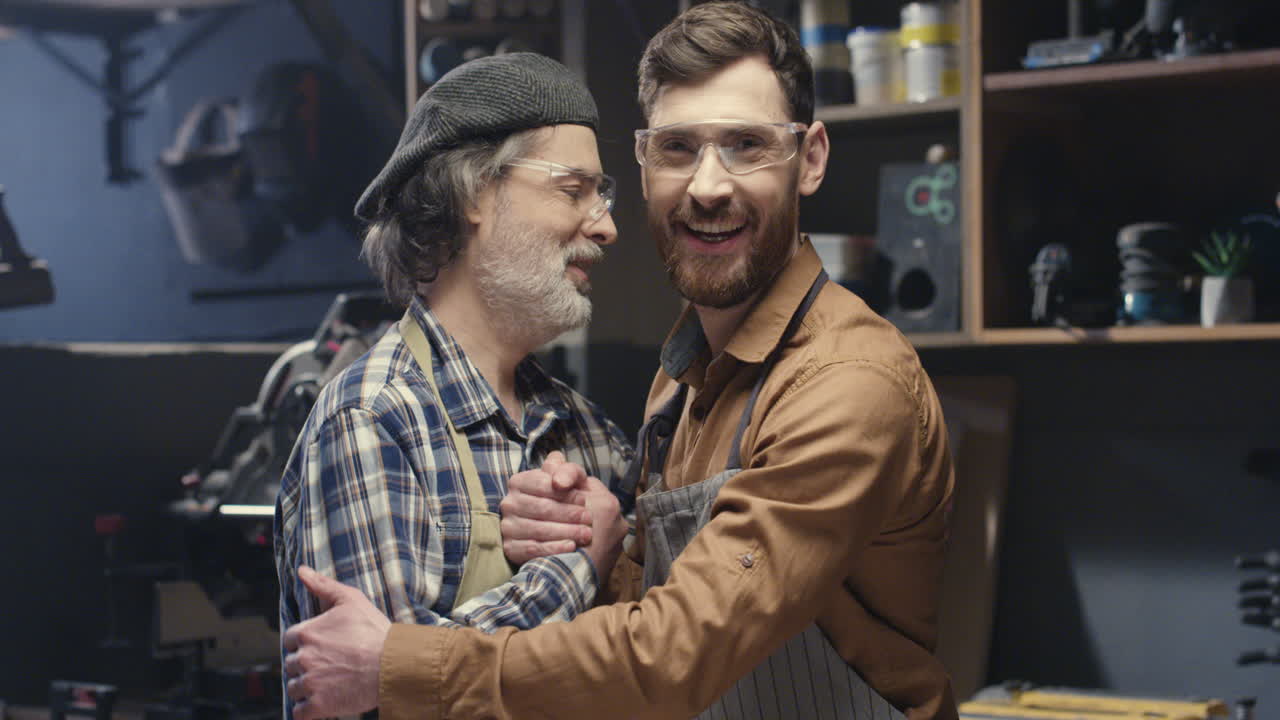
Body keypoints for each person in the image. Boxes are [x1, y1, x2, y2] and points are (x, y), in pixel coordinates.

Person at [281, 4, 959, 719]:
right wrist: (612, 540)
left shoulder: (847, 384)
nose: (706, 186)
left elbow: (672, 651)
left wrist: (399, 662)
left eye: (747, 145)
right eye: (676, 149)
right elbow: (634, 622)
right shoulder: (678, 381)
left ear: (810, 158)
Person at [272, 52, 635, 719]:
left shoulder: (589, 433)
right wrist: (579, 568)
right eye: (573, 190)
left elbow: (645, 661)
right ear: (474, 194)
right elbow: (382, 700)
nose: (606, 225)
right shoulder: (372, 419)